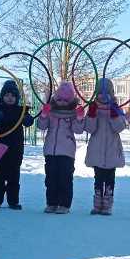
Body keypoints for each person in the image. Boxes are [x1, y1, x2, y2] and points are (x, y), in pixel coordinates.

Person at [37, 81, 85, 214]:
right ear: (55, 98)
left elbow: (78, 130)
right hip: (50, 151)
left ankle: (64, 204)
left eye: (66, 99)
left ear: (70, 100)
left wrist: (80, 118)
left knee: (65, 178)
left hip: (67, 151)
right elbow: (41, 126)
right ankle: (51, 203)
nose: (62, 102)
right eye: (60, 99)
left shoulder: (73, 113)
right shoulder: (52, 111)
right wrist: (44, 115)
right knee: (51, 178)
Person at [0, 80, 34, 210]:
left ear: (17, 98)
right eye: (7, 95)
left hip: (16, 147)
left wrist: (27, 119)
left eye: (13, 95)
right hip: (1, 146)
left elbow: (29, 122)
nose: (10, 98)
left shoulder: (21, 110)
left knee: (14, 174)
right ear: (2, 96)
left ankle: (13, 201)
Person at [84, 78, 127, 215]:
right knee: (98, 178)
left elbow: (120, 127)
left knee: (109, 179)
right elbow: (90, 128)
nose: (103, 96)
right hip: (97, 149)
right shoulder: (93, 107)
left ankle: (107, 205)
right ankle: (97, 205)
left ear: (112, 93)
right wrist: (91, 114)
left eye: (107, 93)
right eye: (100, 93)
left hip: (112, 149)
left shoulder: (116, 107)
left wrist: (114, 115)